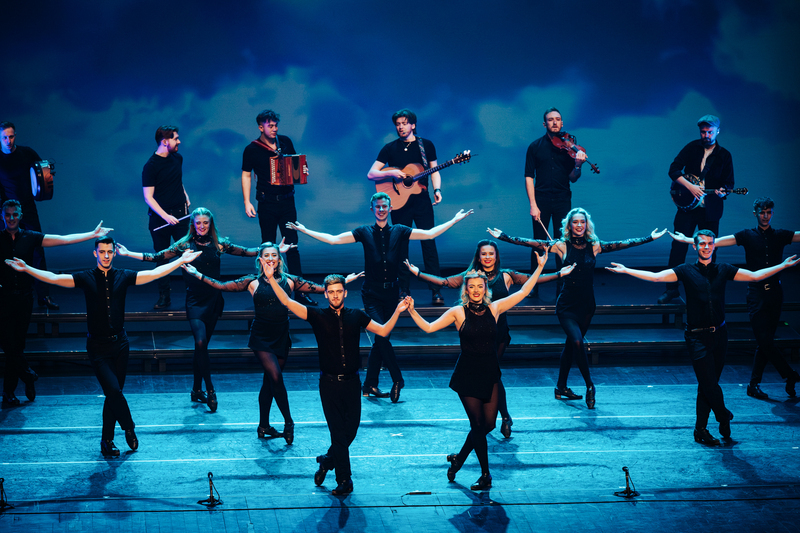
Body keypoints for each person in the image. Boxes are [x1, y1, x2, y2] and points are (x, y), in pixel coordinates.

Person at [5, 236, 200, 455]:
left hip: (120, 345)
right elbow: (54, 278)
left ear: (114, 253)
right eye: (102, 252)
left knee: (113, 395)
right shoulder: (86, 277)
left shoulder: (123, 276)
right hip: (97, 347)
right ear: (95, 253)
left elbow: (154, 274)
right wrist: (27, 268)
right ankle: (129, 426)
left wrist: (180, 261)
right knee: (114, 391)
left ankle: (106, 441)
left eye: (109, 252)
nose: (106, 256)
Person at [607, 229, 798, 445]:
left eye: (710, 243)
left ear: (714, 246)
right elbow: (657, 277)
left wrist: (783, 265)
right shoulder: (685, 270)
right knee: (708, 384)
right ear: (695, 246)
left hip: (720, 335)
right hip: (697, 337)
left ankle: (700, 429)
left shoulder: (723, 269)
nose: (706, 247)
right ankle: (723, 415)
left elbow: (755, 276)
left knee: (708, 384)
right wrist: (626, 270)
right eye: (702, 244)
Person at [287, 192, 473, 403]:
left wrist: (454, 220)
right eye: (378, 206)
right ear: (372, 209)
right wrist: (305, 230)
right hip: (372, 294)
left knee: (381, 338)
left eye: (385, 206)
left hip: (392, 293)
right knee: (382, 334)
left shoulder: (400, 230)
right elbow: (334, 240)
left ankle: (369, 385)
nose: (382, 209)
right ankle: (397, 379)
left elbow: (429, 234)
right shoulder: (364, 232)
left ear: (390, 208)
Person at [182, 242, 363, 443]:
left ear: (279, 259)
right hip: (261, 338)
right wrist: (197, 274)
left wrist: (344, 281)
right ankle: (289, 421)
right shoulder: (252, 282)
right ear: (260, 259)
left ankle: (263, 426)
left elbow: (321, 289)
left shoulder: (290, 281)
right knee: (276, 378)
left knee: (269, 383)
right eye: (266, 255)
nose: (270, 259)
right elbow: (222, 285)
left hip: (281, 337)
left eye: (274, 255)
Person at [489, 208, 666, 409]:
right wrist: (503, 237)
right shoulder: (561, 245)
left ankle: (560, 387)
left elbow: (623, 243)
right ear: (569, 225)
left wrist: (649, 238)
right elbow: (532, 242)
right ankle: (590, 385)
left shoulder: (595, 245)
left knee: (572, 346)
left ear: (586, 224)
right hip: (567, 305)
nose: (579, 225)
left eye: (582, 222)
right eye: (575, 222)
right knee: (577, 341)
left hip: (587, 305)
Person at [404, 250, 548, 490]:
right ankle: (485, 474)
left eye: (480, 286)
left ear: (485, 288)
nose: (476, 290)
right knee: (478, 426)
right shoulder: (458, 312)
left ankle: (458, 459)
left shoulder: (495, 308)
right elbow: (429, 328)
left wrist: (540, 267)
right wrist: (411, 310)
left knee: (488, 425)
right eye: (471, 287)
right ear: (466, 290)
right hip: (468, 376)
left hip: (490, 373)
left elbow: (523, 292)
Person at [405, 239, 575, 438]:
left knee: (493, 374)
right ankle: (495, 414)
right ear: (478, 257)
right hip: (474, 335)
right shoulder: (469, 281)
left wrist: (555, 272)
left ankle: (502, 416)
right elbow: (444, 282)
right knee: (489, 376)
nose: (487, 257)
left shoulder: (505, 280)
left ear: (496, 256)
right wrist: (418, 274)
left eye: (491, 253)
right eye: (483, 253)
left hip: (497, 334)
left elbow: (528, 285)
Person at [264, 265, 407, 496]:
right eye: (331, 292)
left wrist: (398, 311)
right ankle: (344, 480)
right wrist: (271, 279)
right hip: (329, 385)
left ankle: (327, 460)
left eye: (339, 291)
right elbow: (288, 302)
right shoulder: (318, 316)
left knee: (350, 431)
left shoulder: (356, 315)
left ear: (345, 292)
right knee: (338, 434)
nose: (335, 295)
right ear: (326, 294)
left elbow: (382, 331)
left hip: (352, 383)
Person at [116, 207, 259, 413]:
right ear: (192, 224)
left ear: (210, 224)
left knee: (202, 347)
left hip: (214, 300)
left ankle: (195, 390)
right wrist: (129, 253)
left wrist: (272, 249)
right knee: (200, 342)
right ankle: (210, 390)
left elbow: (247, 252)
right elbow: (157, 257)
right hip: (194, 302)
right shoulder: (184, 245)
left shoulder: (219, 243)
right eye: (198, 223)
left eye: (205, 223)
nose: (201, 226)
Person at [670, 197, 800, 399]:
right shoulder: (747, 235)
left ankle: (754, 384)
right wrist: (688, 240)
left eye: (768, 212)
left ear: (772, 213)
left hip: (775, 293)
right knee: (765, 340)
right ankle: (790, 375)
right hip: (756, 293)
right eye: (762, 212)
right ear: (755, 213)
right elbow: (717, 242)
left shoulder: (780, 235)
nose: (765, 216)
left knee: (765, 341)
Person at [1, 199, 113, 407]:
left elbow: (63, 240)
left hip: (24, 297)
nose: (11, 218)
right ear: (2, 216)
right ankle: (27, 375)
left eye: (15, 214)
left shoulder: (30, 237)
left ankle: (9, 392)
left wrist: (92, 234)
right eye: (7, 215)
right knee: (8, 345)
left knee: (17, 345)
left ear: (20, 215)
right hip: (3, 298)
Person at [367, 109, 446, 305]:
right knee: (401, 246)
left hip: (422, 202)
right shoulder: (389, 148)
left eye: (404, 123)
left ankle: (436, 290)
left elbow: (434, 170)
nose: (400, 127)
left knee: (429, 243)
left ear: (413, 125)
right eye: (398, 124)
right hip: (399, 203)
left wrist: (437, 189)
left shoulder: (426, 145)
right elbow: (372, 174)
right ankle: (403, 289)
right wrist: (392, 172)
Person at [241, 109, 315, 306]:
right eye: (270, 126)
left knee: (292, 246)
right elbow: (246, 174)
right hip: (266, 202)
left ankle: (300, 292)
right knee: (268, 248)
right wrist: (247, 201)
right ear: (261, 127)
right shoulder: (252, 149)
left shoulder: (285, 142)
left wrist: (303, 170)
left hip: (287, 202)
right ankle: (268, 290)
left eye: (276, 125)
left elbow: (296, 163)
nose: (274, 129)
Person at [658, 114, 734, 304]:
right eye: (703, 132)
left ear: (718, 131)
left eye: (710, 132)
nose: (706, 135)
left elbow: (729, 183)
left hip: (710, 210)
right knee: (678, 247)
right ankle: (671, 289)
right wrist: (690, 187)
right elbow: (673, 169)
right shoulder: (692, 147)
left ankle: (708, 290)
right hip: (687, 209)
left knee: (709, 250)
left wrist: (723, 192)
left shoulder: (724, 155)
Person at [524, 108, 587, 299]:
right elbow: (529, 176)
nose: (554, 122)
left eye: (558, 119)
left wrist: (578, 165)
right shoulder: (534, 147)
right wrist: (533, 204)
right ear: (545, 124)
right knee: (539, 244)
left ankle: (563, 286)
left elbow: (573, 178)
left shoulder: (569, 148)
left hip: (562, 199)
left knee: (563, 244)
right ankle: (533, 285)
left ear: (562, 123)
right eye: (551, 120)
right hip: (541, 200)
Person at [0, 121, 58, 309]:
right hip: (7, 212)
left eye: (11, 136)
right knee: (6, 251)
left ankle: (44, 296)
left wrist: (48, 175)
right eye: (4, 137)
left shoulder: (27, 153)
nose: (8, 141)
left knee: (37, 249)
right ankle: (7, 294)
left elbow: (44, 171)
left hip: (27, 208)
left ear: (15, 136)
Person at [142, 125, 192, 309]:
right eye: (175, 138)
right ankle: (164, 296)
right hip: (160, 219)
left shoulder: (177, 158)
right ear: (164, 141)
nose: (179, 141)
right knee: (161, 258)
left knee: (186, 255)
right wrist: (166, 216)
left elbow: (177, 180)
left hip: (181, 216)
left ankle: (192, 296)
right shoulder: (151, 166)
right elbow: (148, 197)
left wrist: (185, 195)